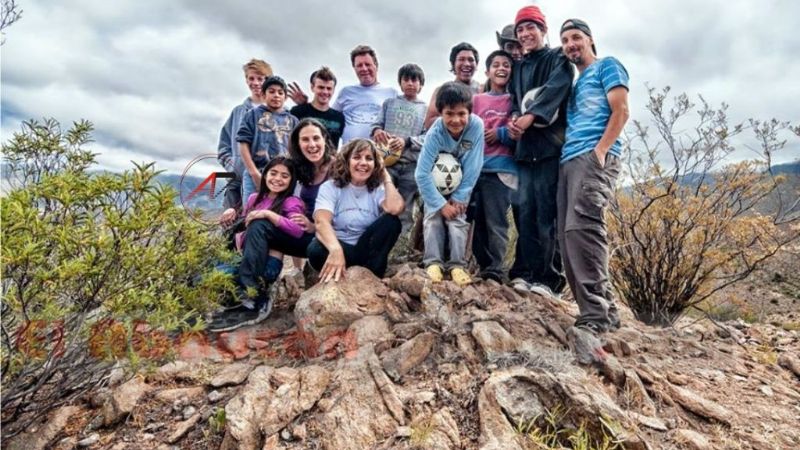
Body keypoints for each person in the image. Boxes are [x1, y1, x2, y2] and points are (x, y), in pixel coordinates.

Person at [558, 19, 630, 333]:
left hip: (593, 156)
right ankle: (605, 311)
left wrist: (601, 150)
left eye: (576, 37)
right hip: (568, 160)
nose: (571, 44)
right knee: (567, 236)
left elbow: (621, 110)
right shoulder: (574, 84)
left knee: (583, 229)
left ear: (590, 40)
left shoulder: (607, 66)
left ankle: (596, 316)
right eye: (565, 40)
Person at [507, 5, 574, 297]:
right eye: (520, 29)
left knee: (548, 213)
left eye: (530, 28)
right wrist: (512, 119)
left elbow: (556, 89)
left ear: (543, 30)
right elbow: (513, 101)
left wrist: (530, 116)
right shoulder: (518, 67)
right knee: (524, 212)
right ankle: (524, 271)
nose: (525, 34)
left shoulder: (558, 58)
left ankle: (550, 279)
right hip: (523, 150)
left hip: (549, 147)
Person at [211, 156, 305, 331]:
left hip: (267, 265)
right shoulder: (254, 198)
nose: (277, 179)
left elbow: (298, 230)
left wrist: (270, 215)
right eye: (273, 173)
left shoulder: (291, 202)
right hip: (245, 259)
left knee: (259, 223)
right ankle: (239, 296)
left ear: (291, 181)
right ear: (265, 175)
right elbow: (244, 226)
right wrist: (232, 211)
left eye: (284, 176)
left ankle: (255, 297)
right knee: (207, 276)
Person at [415, 82, 484, 286]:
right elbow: (421, 173)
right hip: (434, 184)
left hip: (461, 183)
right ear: (441, 113)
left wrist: (460, 197)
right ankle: (433, 262)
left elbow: (474, 165)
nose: (456, 120)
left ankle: (457, 265)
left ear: (469, 113)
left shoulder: (476, 126)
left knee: (458, 219)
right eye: (449, 114)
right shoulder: (435, 133)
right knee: (432, 217)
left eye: (461, 113)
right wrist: (440, 204)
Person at [307, 139, 404, 282]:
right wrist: (336, 250)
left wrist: (386, 177)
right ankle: (341, 271)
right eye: (357, 157)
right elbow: (321, 222)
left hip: (366, 251)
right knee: (315, 250)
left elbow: (395, 208)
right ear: (346, 161)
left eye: (369, 159)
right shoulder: (330, 187)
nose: (363, 163)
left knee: (391, 222)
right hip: (340, 246)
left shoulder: (378, 189)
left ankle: (372, 277)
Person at [471, 50, 517, 283]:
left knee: (496, 221)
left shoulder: (514, 100)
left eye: (506, 65)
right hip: (476, 168)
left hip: (502, 168)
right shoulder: (477, 100)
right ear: (487, 71)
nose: (501, 68)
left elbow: (519, 133)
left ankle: (497, 269)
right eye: (496, 64)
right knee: (477, 220)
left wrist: (499, 134)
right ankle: (483, 266)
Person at [370, 63, 427, 233]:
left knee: (405, 205)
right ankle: (378, 240)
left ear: (421, 84)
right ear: (400, 83)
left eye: (414, 80)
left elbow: (427, 137)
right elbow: (376, 124)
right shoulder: (389, 103)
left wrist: (407, 141)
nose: (410, 83)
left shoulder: (425, 108)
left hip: (411, 165)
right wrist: (377, 131)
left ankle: (400, 245)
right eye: (406, 79)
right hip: (386, 163)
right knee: (381, 200)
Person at [217, 59, 273, 210]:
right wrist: (235, 166)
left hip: (270, 183)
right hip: (237, 181)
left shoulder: (280, 113)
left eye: (260, 78)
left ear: (268, 80)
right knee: (231, 228)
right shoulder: (238, 112)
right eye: (251, 78)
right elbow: (223, 147)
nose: (255, 83)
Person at [237, 75, 299, 202]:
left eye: (280, 92)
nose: (276, 95)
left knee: (281, 211)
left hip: (283, 175)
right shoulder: (252, 115)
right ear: (263, 95)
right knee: (251, 209)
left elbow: (297, 149)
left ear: (285, 97)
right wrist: (254, 173)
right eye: (271, 91)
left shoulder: (293, 120)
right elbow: (243, 143)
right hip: (257, 171)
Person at [332, 45, 399, 144]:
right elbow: (328, 118)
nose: (364, 68)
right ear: (354, 68)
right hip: (349, 154)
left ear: (376, 65)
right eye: (359, 65)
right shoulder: (345, 92)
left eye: (367, 64)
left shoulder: (392, 93)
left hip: (380, 156)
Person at [423, 42, 482, 129]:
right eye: (461, 59)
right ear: (453, 64)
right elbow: (429, 122)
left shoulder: (483, 89)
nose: (466, 64)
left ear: (476, 64)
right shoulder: (442, 90)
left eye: (471, 60)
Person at [290, 67, 346, 148]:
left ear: (333, 90)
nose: (325, 92)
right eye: (321, 87)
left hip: (330, 160)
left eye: (329, 88)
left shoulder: (339, 117)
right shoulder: (297, 112)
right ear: (312, 87)